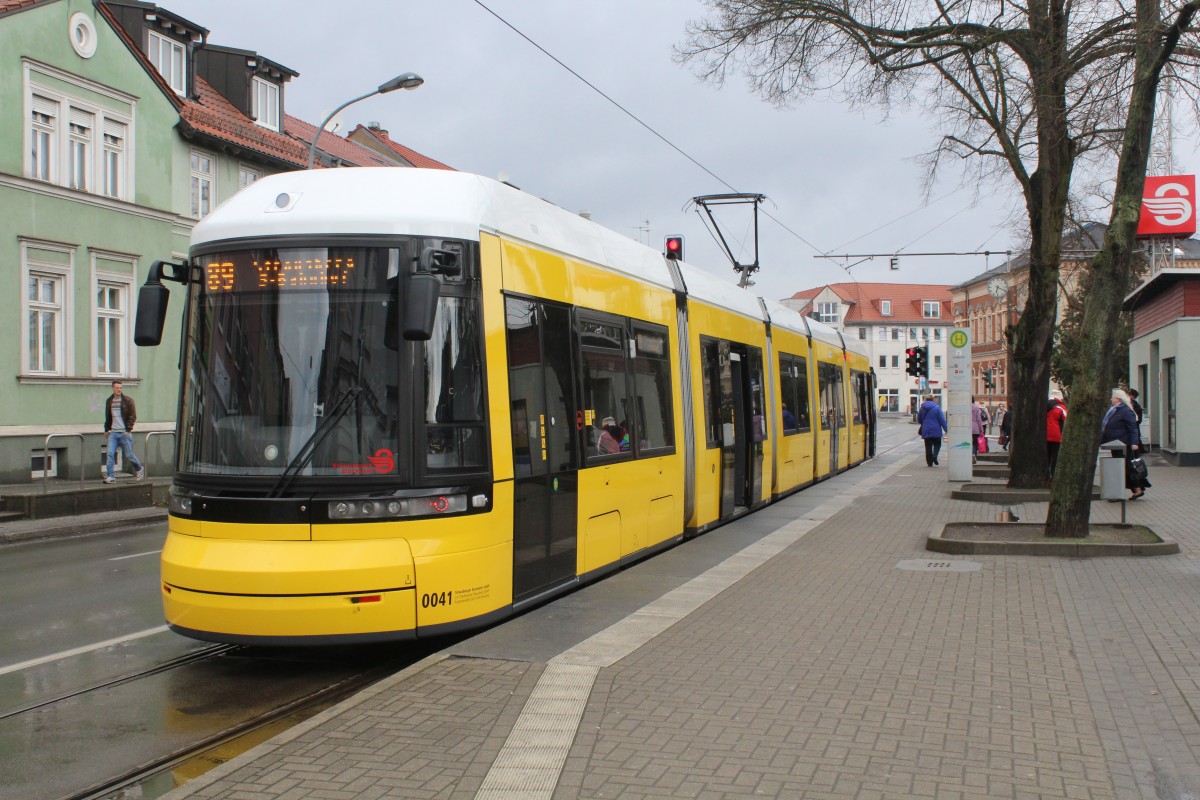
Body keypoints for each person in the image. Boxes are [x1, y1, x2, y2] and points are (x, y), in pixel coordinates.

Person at [1101, 388, 1148, 500]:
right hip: (1115, 443)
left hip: (1124, 444)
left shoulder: (1125, 411)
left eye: (1112, 397)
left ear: (1118, 398)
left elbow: (1133, 428)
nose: (1111, 399)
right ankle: (1136, 489)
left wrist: (1134, 443)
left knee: (1124, 467)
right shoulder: (1114, 410)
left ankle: (1124, 491)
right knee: (1124, 467)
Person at [103, 380, 145, 484]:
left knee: (129, 454)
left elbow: (132, 416)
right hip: (113, 433)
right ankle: (111, 476)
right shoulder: (109, 401)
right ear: (113, 388)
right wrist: (106, 430)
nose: (119, 389)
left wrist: (128, 430)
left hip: (124, 433)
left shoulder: (128, 401)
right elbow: (108, 417)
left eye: (120, 388)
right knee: (110, 454)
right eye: (117, 388)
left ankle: (139, 469)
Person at [917, 394, 947, 467]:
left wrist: (925, 423)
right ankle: (934, 456)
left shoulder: (922, 408)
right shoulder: (937, 408)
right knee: (937, 444)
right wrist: (946, 429)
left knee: (928, 446)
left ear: (925, 399)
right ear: (933, 399)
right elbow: (942, 420)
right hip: (936, 429)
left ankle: (929, 463)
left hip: (926, 430)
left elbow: (919, 420)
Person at [1046, 393, 1067, 477]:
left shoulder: (1043, 405)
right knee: (1055, 457)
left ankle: (1046, 474)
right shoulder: (1060, 407)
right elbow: (1067, 418)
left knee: (1046, 456)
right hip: (1056, 436)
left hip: (1044, 436)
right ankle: (1053, 474)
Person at [970, 397, 985, 464]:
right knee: (975, 443)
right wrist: (981, 429)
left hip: (967, 429)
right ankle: (974, 454)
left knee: (967, 443)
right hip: (975, 428)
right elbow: (979, 419)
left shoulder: (964, 407)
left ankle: (968, 455)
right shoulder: (976, 408)